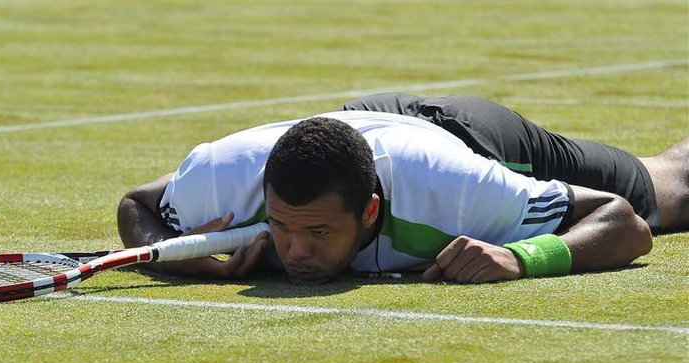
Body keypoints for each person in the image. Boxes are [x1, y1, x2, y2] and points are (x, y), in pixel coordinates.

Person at [117, 94, 688, 284]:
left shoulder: (463, 191)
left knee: (670, 193)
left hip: (466, 135)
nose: (294, 252)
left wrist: (521, 257)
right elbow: (135, 205)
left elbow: (624, 225)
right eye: (282, 226)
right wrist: (191, 260)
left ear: (369, 212)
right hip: (356, 125)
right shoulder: (222, 178)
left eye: (318, 232)